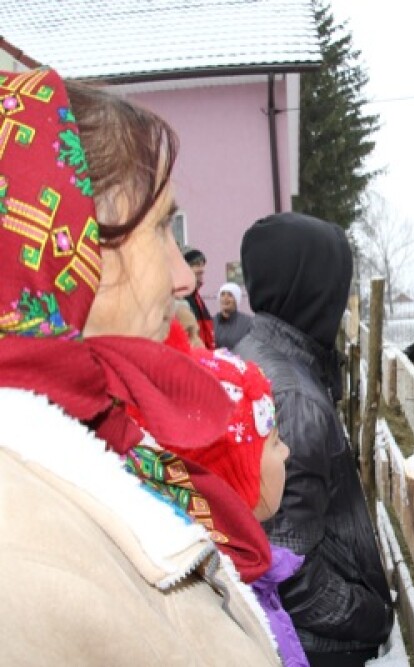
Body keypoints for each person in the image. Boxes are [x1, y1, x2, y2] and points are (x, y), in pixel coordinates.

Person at [0, 68, 279, 664]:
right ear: (69, 252)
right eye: (160, 230)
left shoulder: (95, 443)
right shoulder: (18, 551)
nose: (185, 277)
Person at [236, 212, 394, 666]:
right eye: (336, 285)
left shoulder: (256, 353)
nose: (341, 301)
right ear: (311, 289)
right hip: (318, 646)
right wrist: (372, 615)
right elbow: (287, 570)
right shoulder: (293, 396)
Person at [173, 348, 308, 667]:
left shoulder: (240, 567)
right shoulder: (225, 599)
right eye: (274, 441)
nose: (286, 451)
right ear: (236, 475)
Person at [183, 246, 215, 349]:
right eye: (196, 265)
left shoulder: (196, 298)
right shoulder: (181, 298)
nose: (202, 270)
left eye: (202, 265)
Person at [214, 281, 254, 349]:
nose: (225, 298)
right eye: (222, 294)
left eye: (230, 295)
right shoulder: (212, 322)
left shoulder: (248, 323)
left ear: (237, 299)